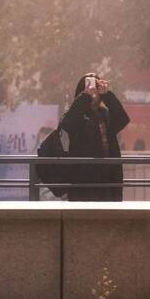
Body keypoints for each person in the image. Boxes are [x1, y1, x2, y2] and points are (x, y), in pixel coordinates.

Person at [60, 73, 130, 202]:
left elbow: (123, 119)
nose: (94, 92)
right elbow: (67, 125)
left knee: (109, 217)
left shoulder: (105, 115)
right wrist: (85, 96)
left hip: (108, 176)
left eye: (96, 87)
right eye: (89, 86)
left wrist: (107, 95)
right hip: (84, 178)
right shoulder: (76, 114)